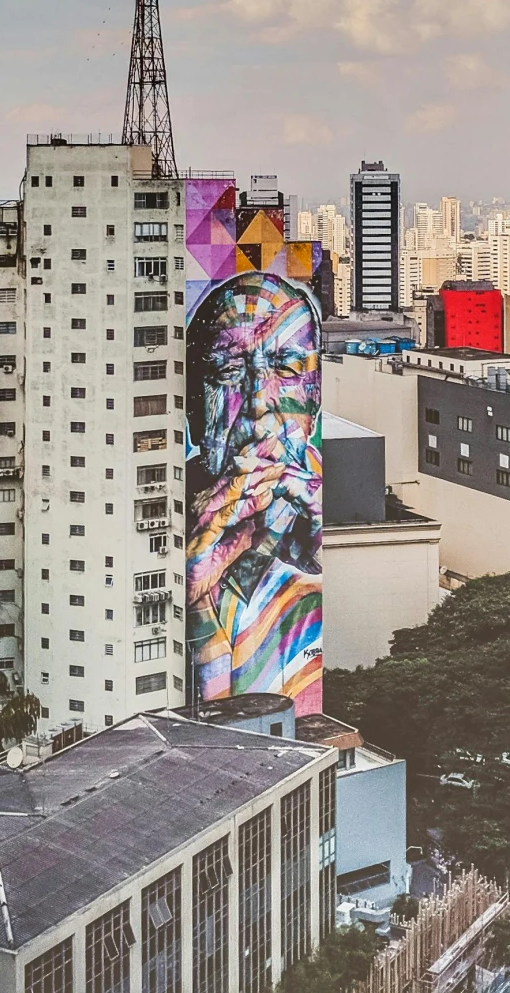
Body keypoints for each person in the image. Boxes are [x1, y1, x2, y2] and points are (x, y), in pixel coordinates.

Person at [186, 270, 325, 711]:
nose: (258, 400)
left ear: (315, 398)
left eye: (285, 368)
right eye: (228, 370)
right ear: (191, 402)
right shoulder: (166, 516)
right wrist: (192, 601)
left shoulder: (320, 518)